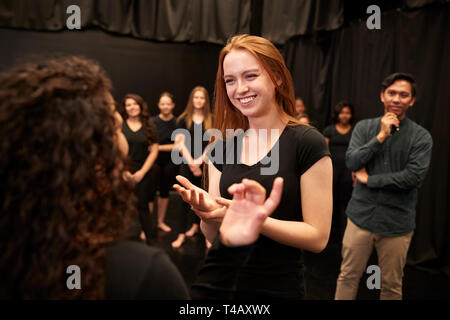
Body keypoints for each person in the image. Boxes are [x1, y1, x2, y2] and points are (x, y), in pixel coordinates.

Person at [0, 56, 188, 299]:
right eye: (112, 119)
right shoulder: (142, 276)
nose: (120, 117)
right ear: (101, 160)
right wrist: (226, 252)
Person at [172, 34, 333, 299]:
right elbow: (213, 237)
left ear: (277, 77)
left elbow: (317, 237)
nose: (240, 89)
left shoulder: (306, 142)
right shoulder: (220, 148)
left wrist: (257, 221)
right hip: (225, 287)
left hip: (278, 288)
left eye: (250, 76)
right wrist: (206, 213)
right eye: (230, 80)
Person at [334, 73, 433, 300]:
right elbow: (351, 162)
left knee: (390, 286)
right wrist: (380, 136)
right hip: (360, 217)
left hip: (396, 223)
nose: (397, 99)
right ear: (382, 96)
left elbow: (413, 178)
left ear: (412, 100)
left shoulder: (421, 137)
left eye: (403, 94)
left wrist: (370, 180)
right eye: (392, 93)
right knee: (347, 276)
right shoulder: (364, 128)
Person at [171, 86, 213, 248]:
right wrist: (191, 162)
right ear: (191, 100)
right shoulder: (183, 119)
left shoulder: (211, 119)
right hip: (186, 164)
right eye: (196, 98)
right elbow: (180, 143)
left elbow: (212, 144)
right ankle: (180, 234)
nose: (199, 101)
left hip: (205, 164)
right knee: (184, 200)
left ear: (205, 101)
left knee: (203, 199)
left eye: (201, 98)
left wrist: (200, 161)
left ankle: (203, 232)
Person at [121, 93, 159, 243]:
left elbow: (154, 150)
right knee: (122, 207)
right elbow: (115, 150)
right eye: (128, 105)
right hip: (123, 171)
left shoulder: (149, 124)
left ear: (140, 106)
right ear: (125, 108)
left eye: (134, 104)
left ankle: (151, 243)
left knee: (143, 207)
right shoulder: (120, 126)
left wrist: (141, 173)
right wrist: (123, 171)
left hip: (143, 171)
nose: (132, 107)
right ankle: (121, 242)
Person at [323, 101, 356, 243]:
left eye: (347, 112)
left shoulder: (355, 130)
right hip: (332, 171)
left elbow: (357, 151)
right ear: (337, 114)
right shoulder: (329, 130)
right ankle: (328, 234)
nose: (345, 115)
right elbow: (323, 152)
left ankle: (344, 234)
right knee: (331, 202)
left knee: (345, 203)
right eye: (342, 112)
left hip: (348, 171)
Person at [152, 92, 181, 233]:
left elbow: (177, 145)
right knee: (150, 192)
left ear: (173, 106)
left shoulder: (178, 122)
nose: (165, 106)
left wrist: (158, 147)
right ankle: (147, 224)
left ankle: (160, 222)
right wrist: (156, 148)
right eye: (162, 103)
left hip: (170, 162)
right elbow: (149, 144)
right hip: (153, 161)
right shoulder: (152, 122)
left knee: (164, 192)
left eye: (168, 104)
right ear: (158, 105)